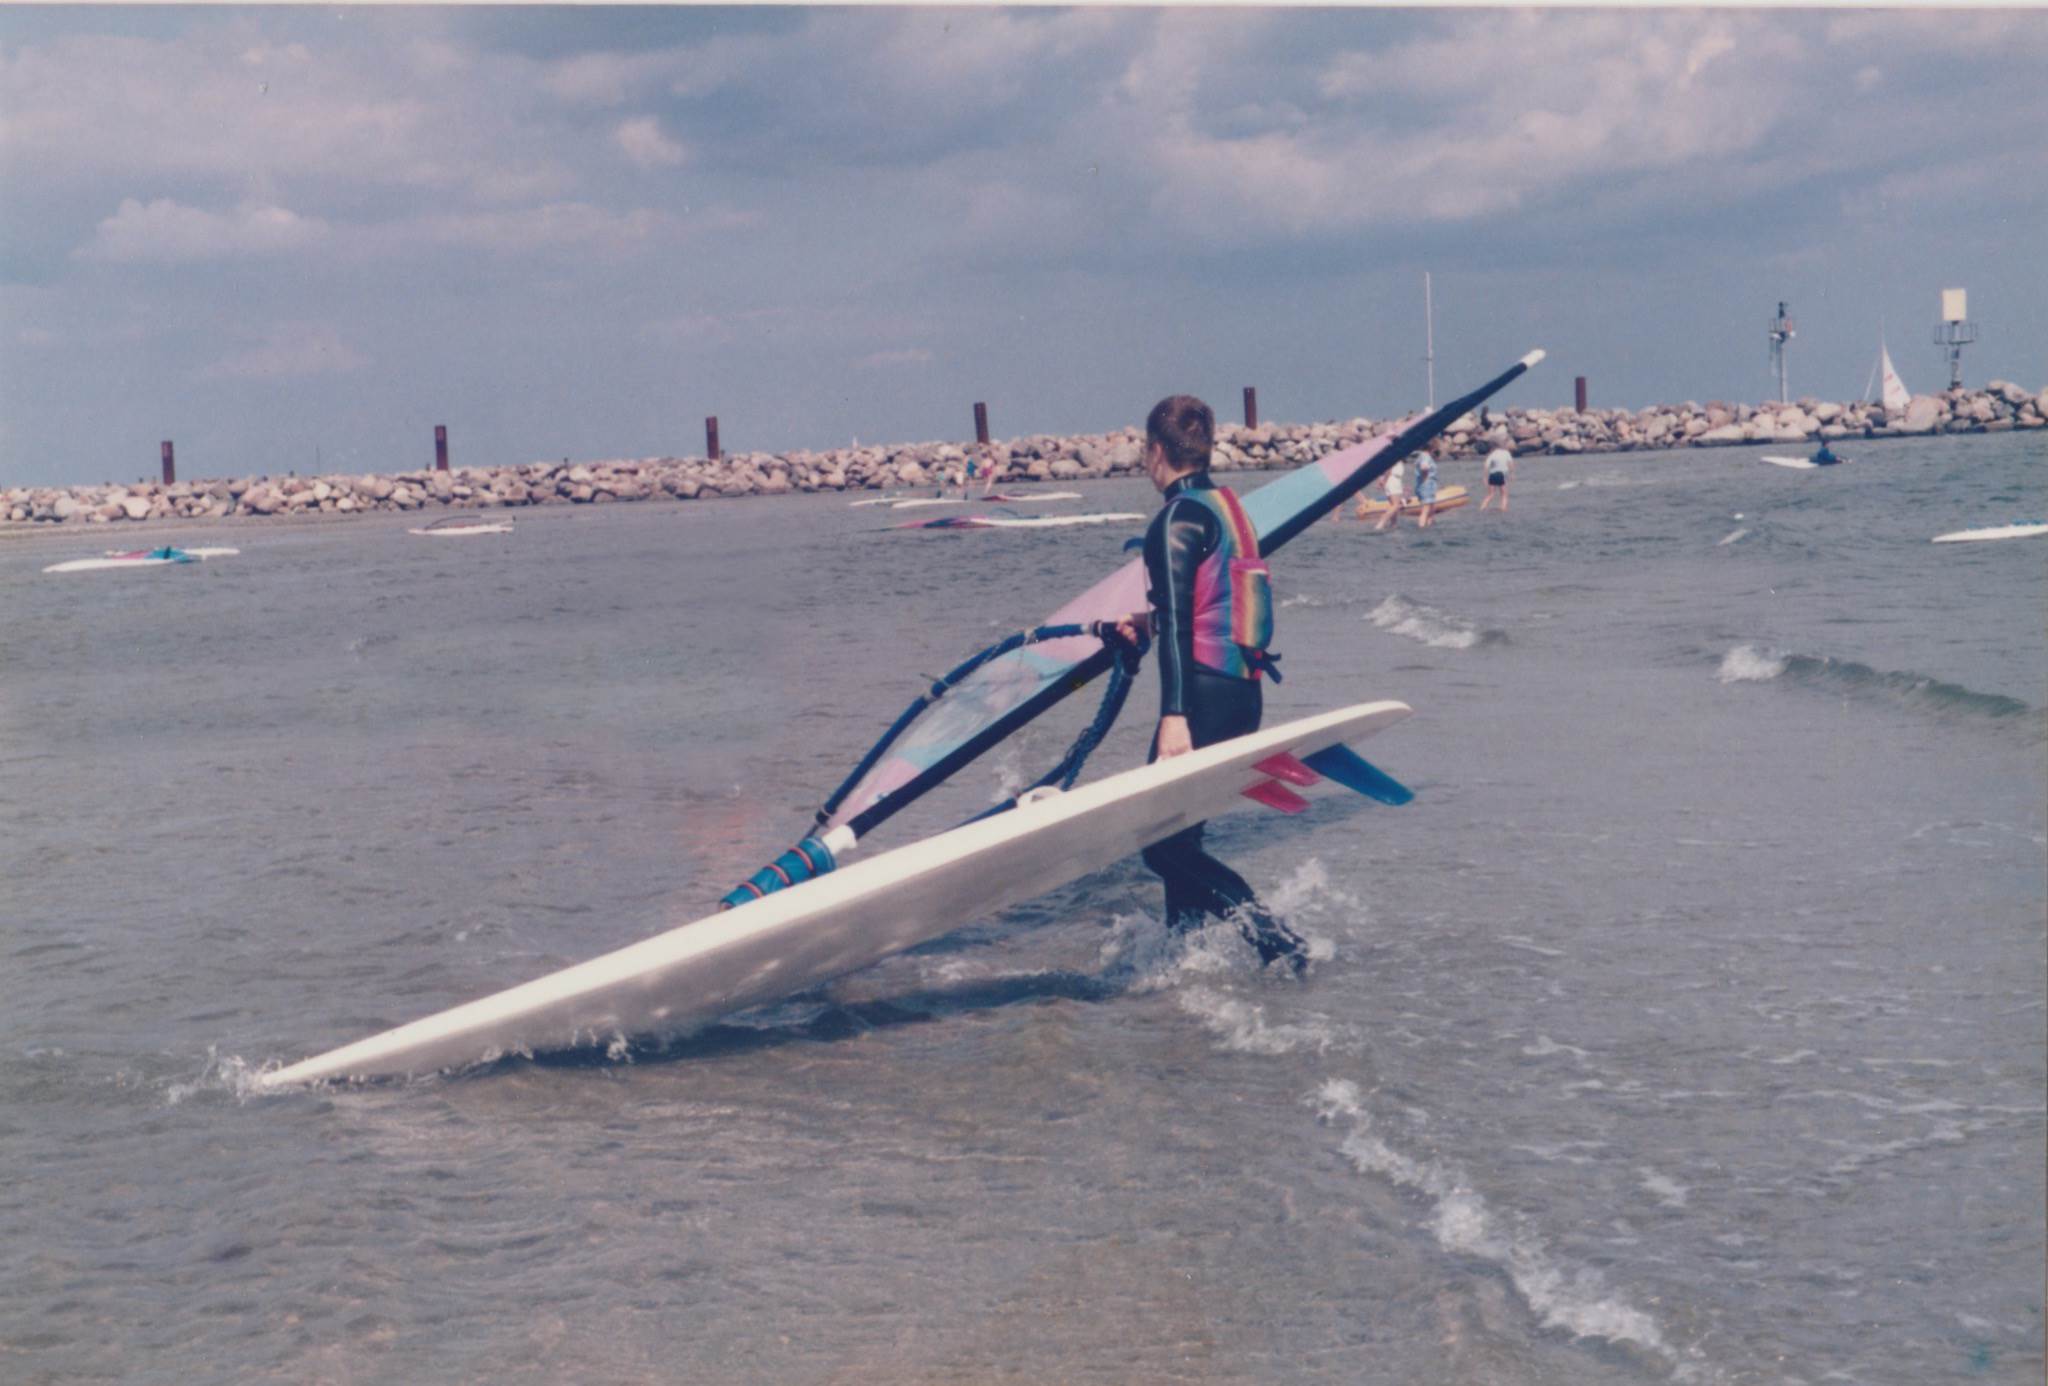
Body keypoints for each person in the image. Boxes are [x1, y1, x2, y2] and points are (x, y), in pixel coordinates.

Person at [1111, 394, 1306, 970]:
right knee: (1183, 838)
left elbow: (1177, 625)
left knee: (1158, 845)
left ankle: (1277, 943)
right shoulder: (1228, 509)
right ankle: (1182, 958)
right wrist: (1149, 621)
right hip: (1242, 693)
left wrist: (1174, 717)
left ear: (1155, 451)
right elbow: (1214, 602)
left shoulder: (1175, 519)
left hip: (1200, 699)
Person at [1365, 456, 1407, 529]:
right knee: (1396, 505)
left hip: (1393, 481)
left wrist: (1382, 482)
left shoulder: (1393, 458)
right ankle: (1382, 521)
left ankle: (1393, 524)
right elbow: (1388, 471)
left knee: (1393, 505)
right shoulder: (1394, 458)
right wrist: (1384, 482)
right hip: (1394, 481)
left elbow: (1385, 471)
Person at [1412, 448, 1441, 529]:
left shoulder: (1422, 456)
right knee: (1426, 510)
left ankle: (1428, 527)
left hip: (1427, 484)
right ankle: (1421, 528)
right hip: (1427, 484)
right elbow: (1424, 468)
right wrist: (1425, 479)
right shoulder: (1425, 456)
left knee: (1431, 509)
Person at [1480, 446, 1514, 511]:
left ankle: (1482, 507)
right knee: (1504, 494)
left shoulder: (1491, 455)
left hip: (1492, 475)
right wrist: (1512, 473)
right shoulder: (1506, 453)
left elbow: (1486, 466)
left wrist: (1485, 477)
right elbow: (1511, 463)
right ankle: (1503, 508)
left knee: (1491, 494)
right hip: (1500, 474)